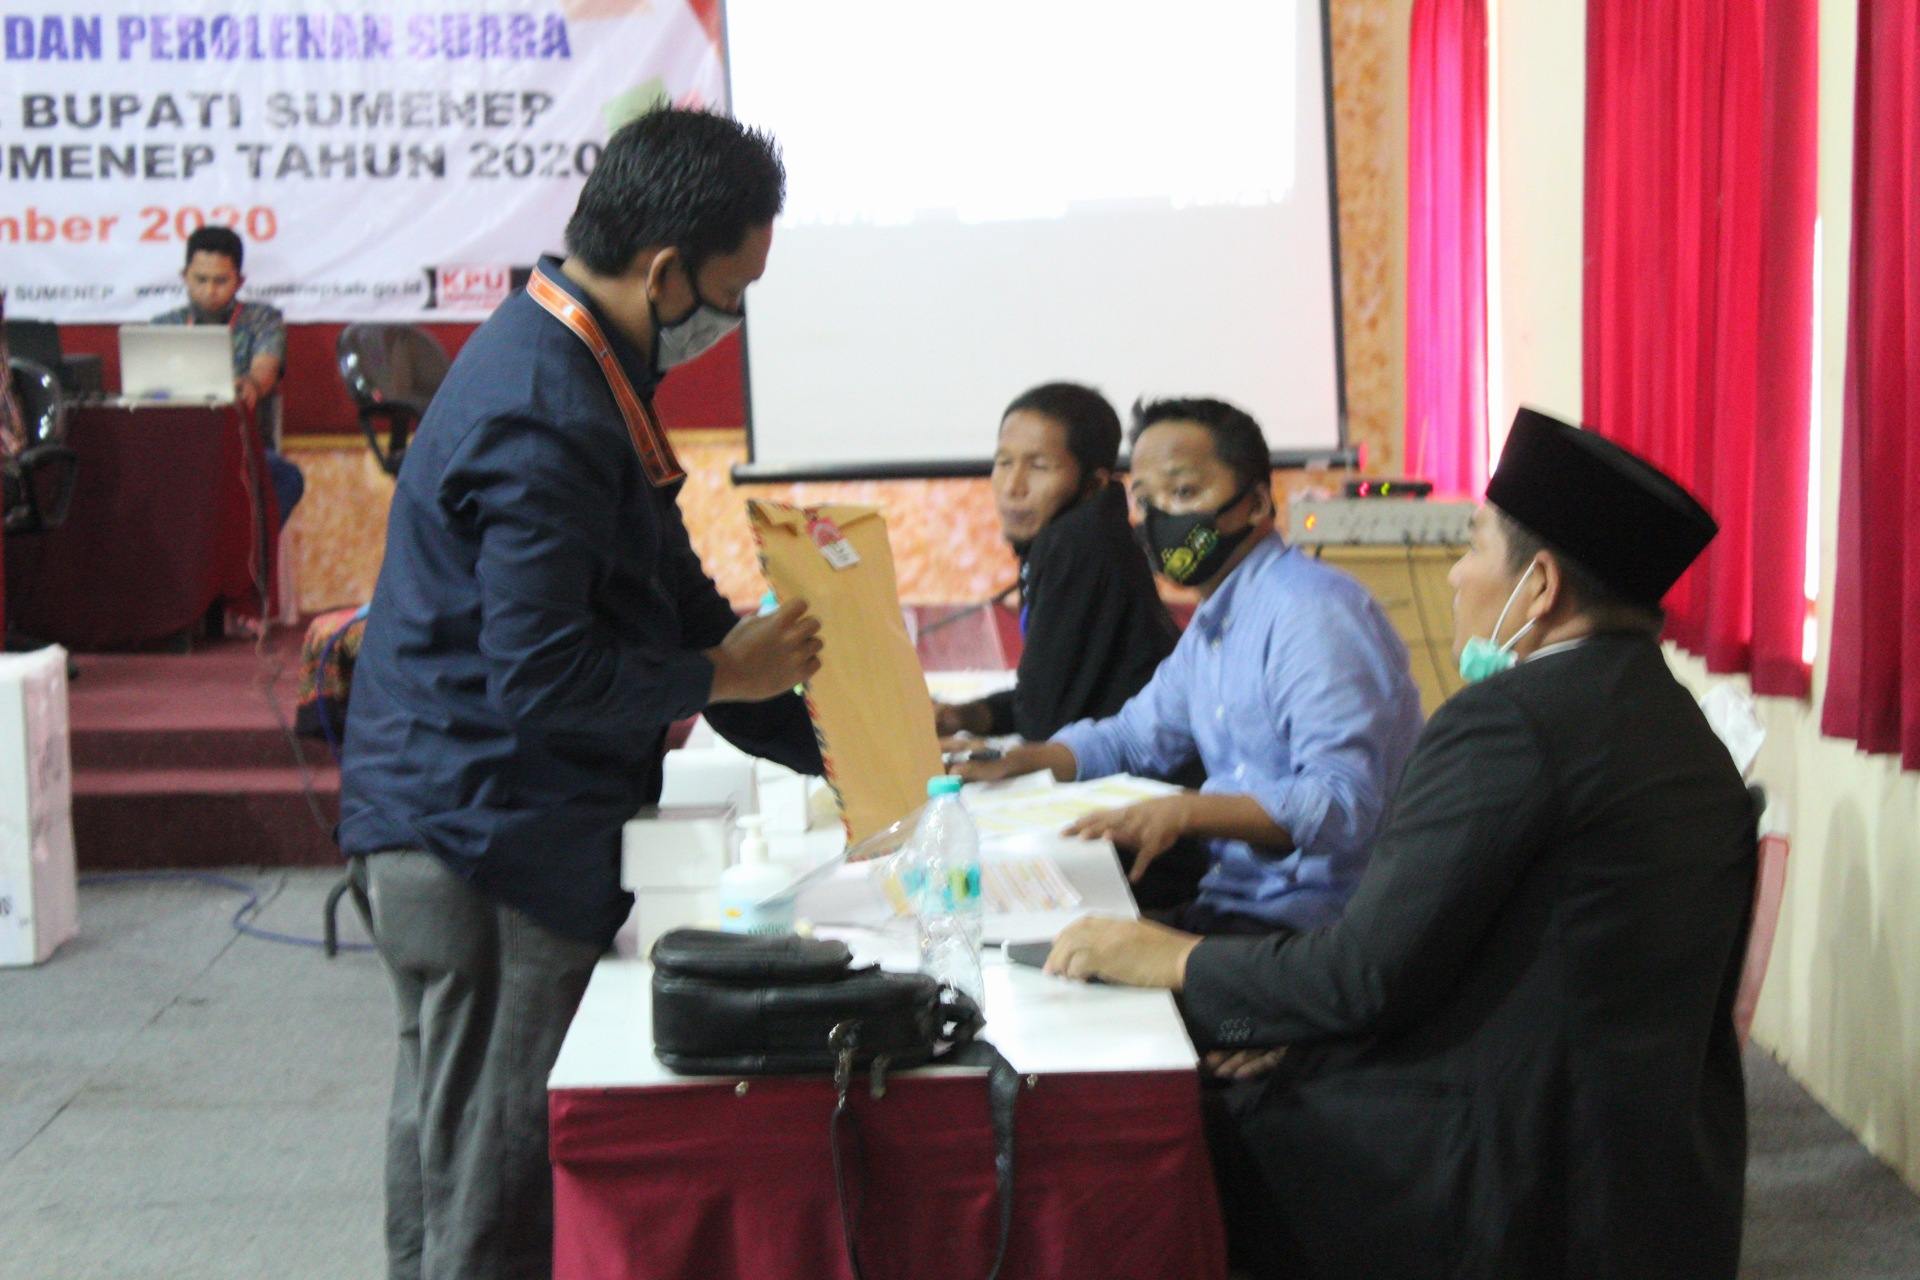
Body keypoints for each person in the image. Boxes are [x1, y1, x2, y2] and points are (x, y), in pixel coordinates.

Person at [1045, 407, 1754, 1280]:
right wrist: (1305, 1023)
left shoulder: (1506, 725)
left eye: (1472, 548)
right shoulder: (1676, 725)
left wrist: (1168, 959)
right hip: (1648, 1173)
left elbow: (1364, 976)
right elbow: (1502, 955)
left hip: (1511, 1173)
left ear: (1538, 587)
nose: (1454, 576)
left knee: (1180, 1128)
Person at [338, 109, 825, 1280]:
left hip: (479, 811)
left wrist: (855, 744)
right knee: (495, 1162)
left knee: (454, 1135)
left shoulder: (582, 365)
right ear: (664, 273)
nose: (732, 320)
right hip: (483, 830)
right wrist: (724, 672)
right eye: (733, 290)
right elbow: (543, 670)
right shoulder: (544, 404)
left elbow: (676, 603)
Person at [958, 397, 1423, 934]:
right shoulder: (1215, 623)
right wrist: (1025, 760)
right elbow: (1132, 738)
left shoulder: (1312, 612)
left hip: (1316, 927)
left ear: (1254, 503)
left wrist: (1186, 812)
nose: (1160, 519)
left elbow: (1341, 802)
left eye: (1183, 493)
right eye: (1145, 500)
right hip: (1234, 904)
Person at [934, 382, 1179, 743]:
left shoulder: (1075, 542)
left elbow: (1042, 723)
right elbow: (1042, 700)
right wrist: (965, 715)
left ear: (1093, 484)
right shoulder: (1082, 533)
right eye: (1003, 462)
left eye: (1039, 466)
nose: (1013, 486)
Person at [151, 225, 304, 523]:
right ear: (184, 276)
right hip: (178, 446)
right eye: (201, 279)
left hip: (240, 446)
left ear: (239, 281)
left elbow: (265, 369)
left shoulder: (263, 320)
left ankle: (254, 544)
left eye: (221, 280)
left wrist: (250, 384)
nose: (210, 290)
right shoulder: (163, 326)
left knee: (286, 477)